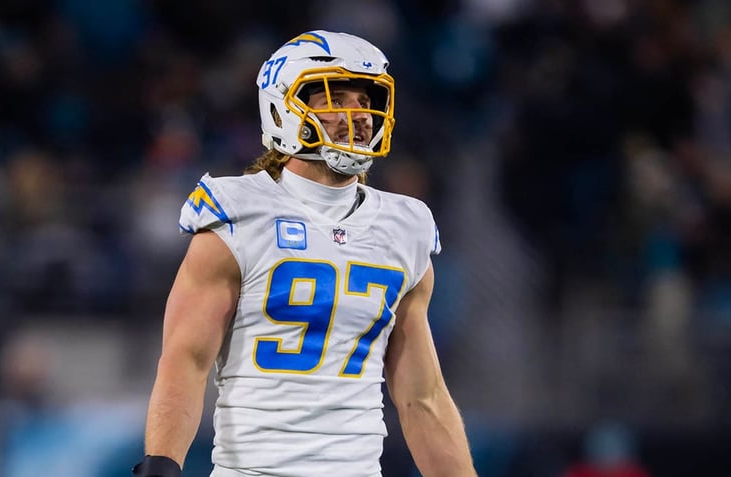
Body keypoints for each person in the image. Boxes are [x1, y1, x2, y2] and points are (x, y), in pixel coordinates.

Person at [132, 30, 478, 477]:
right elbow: (186, 361)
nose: (360, 115)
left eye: (366, 99)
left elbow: (422, 397)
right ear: (283, 107)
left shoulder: (403, 227)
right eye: (337, 98)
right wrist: (161, 464)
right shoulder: (238, 212)